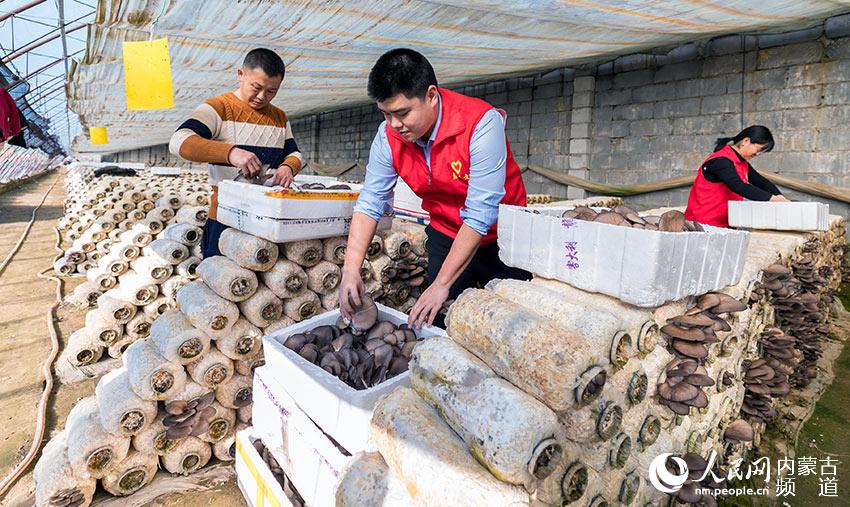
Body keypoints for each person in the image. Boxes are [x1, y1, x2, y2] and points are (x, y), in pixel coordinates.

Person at [338, 48, 531, 329]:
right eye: (385, 114)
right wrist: (351, 268)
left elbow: (480, 215)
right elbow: (370, 202)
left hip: (504, 239)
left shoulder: (480, 123)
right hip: (447, 232)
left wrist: (441, 284)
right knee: (442, 321)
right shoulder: (388, 136)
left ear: (431, 96)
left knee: (509, 324)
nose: (394, 124)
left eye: (402, 113)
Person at [169, 48, 303, 258]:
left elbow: (294, 153)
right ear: (240, 75)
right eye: (256, 87)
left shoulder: (280, 118)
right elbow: (179, 141)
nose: (261, 97)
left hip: (268, 219)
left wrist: (288, 166)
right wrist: (230, 153)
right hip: (225, 219)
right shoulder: (218, 107)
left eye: (271, 91)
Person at [685, 125, 788, 228]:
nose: (758, 154)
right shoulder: (721, 161)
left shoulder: (741, 162)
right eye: (759, 149)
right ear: (746, 141)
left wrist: (780, 197)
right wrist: (772, 199)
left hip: (723, 224)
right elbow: (738, 186)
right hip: (703, 224)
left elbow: (761, 182)